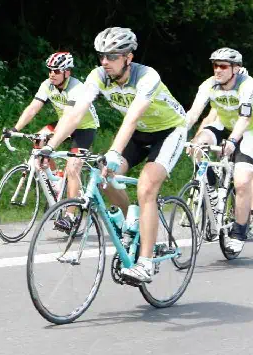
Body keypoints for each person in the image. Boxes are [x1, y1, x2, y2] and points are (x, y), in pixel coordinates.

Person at [41, 27, 187, 283]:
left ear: (128, 57)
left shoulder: (147, 76)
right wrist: (50, 146)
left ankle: (145, 263)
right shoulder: (98, 76)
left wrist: (113, 153)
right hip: (140, 133)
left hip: (168, 131)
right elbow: (75, 114)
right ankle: (132, 224)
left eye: (111, 56)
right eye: (101, 56)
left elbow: (131, 119)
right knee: (102, 179)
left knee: (146, 187)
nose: (105, 62)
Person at [184, 49, 253, 254]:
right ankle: (211, 188)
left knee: (242, 181)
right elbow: (194, 114)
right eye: (215, 65)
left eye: (223, 66)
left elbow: (245, 118)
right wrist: (178, 135)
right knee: (198, 145)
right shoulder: (208, 85)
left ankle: (239, 232)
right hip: (224, 123)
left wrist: (232, 141)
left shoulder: (247, 85)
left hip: (250, 129)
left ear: (236, 69)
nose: (218, 70)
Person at [4, 52, 99, 231]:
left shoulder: (77, 88)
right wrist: (15, 129)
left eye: (56, 71)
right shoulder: (47, 85)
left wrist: (52, 141)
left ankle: (69, 216)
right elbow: (33, 108)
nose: (52, 74)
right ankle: (56, 180)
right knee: (38, 140)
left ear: (67, 72)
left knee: (73, 167)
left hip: (84, 127)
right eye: (50, 70)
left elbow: (69, 116)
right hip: (64, 122)